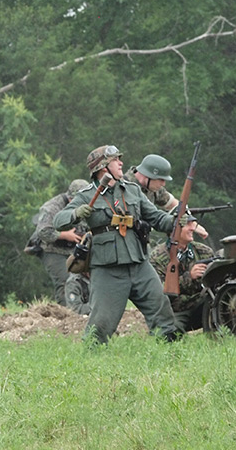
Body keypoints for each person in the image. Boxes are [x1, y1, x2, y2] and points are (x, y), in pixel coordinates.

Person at [53, 145, 182, 344]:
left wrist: (176, 220)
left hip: (139, 263)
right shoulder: (87, 195)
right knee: (101, 324)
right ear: (104, 167)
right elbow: (58, 221)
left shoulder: (132, 190)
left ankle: (171, 351)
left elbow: (156, 218)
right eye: (116, 160)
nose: (121, 163)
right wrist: (75, 213)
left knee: (161, 309)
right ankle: (92, 359)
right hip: (108, 269)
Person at [150, 213, 215, 332]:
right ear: (174, 230)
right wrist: (189, 277)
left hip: (202, 306)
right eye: (187, 225)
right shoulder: (157, 256)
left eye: (192, 224)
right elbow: (159, 291)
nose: (192, 228)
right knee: (167, 333)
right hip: (175, 311)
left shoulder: (204, 251)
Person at [29, 178, 90, 305]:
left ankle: (84, 308)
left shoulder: (87, 206)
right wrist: (64, 235)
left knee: (85, 277)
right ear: (70, 199)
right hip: (52, 249)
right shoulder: (52, 207)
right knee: (65, 279)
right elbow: (43, 231)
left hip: (74, 249)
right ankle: (66, 314)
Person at [129, 153, 209, 240]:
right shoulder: (124, 187)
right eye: (161, 179)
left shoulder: (153, 186)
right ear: (148, 175)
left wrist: (191, 222)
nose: (163, 184)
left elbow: (175, 205)